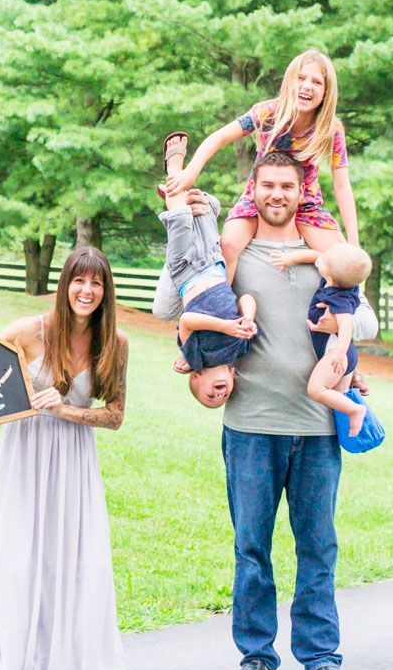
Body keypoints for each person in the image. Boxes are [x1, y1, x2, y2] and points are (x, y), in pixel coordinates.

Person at [218, 151, 378, 670]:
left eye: (287, 185)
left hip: (316, 427)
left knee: (318, 546)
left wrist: (344, 324)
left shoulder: (327, 254)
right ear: (254, 189)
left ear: (299, 190)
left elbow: (368, 318)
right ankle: (256, 657)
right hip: (251, 422)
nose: (277, 194)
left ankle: (320, 658)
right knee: (251, 546)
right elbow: (178, 304)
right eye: (268, 185)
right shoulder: (236, 253)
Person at [0, 247, 129, 670]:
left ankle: (86, 658)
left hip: (74, 454)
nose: (87, 290)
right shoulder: (29, 331)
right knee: (23, 551)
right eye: (79, 281)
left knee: (79, 555)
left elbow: (115, 415)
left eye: (96, 282)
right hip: (24, 447)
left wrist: (66, 411)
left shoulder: (114, 343)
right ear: (64, 285)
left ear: (106, 290)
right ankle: (21, 655)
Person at [165, 49, 359, 284]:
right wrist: (190, 172)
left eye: (317, 82)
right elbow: (220, 137)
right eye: (301, 78)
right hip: (259, 197)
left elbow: (342, 186)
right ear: (290, 82)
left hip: (305, 202)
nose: (307, 86)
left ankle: (339, 314)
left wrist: (354, 240)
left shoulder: (330, 130)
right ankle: (220, 309)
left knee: (344, 260)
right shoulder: (268, 113)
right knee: (228, 244)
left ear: (326, 92)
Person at [154, 133, 258, 408]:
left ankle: (174, 168)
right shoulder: (241, 347)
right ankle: (203, 202)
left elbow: (187, 320)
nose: (219, 395)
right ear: (233, 376)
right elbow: (246, 297)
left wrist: (225, 326)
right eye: (222, 398)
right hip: (214, 264)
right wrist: (247, 318)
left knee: (180, 221)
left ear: (197, 378)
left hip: (185, 271)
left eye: (209, 396)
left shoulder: (195, 357)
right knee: (204, 219)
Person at [270, 242, 373, 436]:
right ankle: (349, 424)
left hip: (335, 353)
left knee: (316, 389)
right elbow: (315, 254)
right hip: (334, 351)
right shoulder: (334, 278)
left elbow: (346, 325)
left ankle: (355, 410)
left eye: (325, 259)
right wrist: (290, 259)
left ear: (331, 275)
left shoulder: (340, 297)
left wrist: (340, 353)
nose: (321, 257)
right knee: (338, 401)